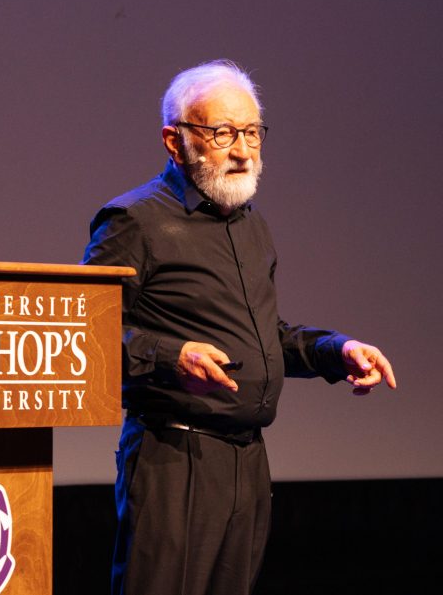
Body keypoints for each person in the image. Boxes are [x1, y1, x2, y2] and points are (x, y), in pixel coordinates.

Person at [81, 60, 397, 595]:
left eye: (251, 132)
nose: (244, 150)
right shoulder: (133, 221)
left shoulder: (250, 225)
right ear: (175, 141)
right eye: (223, 133)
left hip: (247, 463)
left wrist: (335, 351)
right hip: (173, 460)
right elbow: (83, 339)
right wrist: (170, 357)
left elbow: (265, 337)